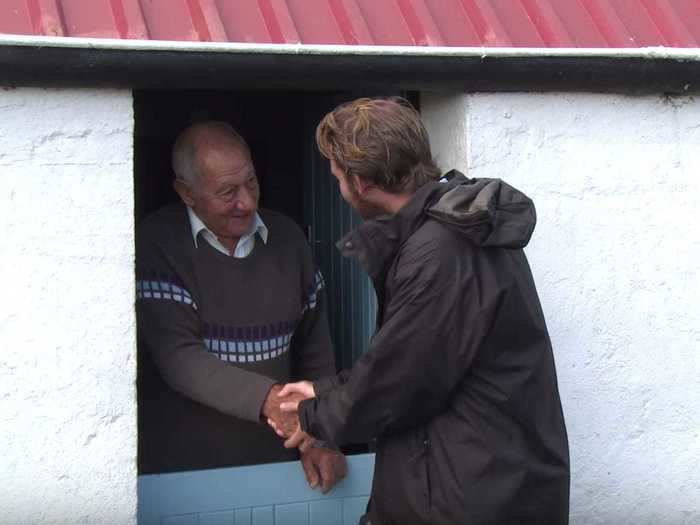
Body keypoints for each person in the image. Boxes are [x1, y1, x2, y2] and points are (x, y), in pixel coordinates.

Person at [271, 98, 570, 524]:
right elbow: (415, 358)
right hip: (484, 483)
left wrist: (311, 417)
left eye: (337, 177)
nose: (338, 187)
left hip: (471, 498)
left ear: (359, 181)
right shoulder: (451, 229)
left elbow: (397, 385)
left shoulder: (441, 250)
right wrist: (323, 390)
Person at [136, 121, 346, 492]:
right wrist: (268, 401)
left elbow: (314, 347)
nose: (246, 202)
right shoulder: (158, 245)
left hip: (279, 472)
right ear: (186, 193)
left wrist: (320, 436)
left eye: (251, 182)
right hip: (184, 484)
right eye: (227, 191)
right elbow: (179, 358)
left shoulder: (289, 240)